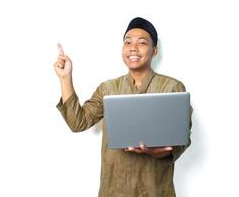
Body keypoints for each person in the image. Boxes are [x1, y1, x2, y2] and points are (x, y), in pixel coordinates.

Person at [54, 17, 192, 197]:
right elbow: (77, 123)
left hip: (154, 190)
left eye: (142, 42)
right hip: (114, 190)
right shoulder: (108, 89)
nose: (133, 47)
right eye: (128, 42)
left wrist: (159, 152)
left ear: (155, 50)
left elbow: (183, 138)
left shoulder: (172, 88)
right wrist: (65, 78)